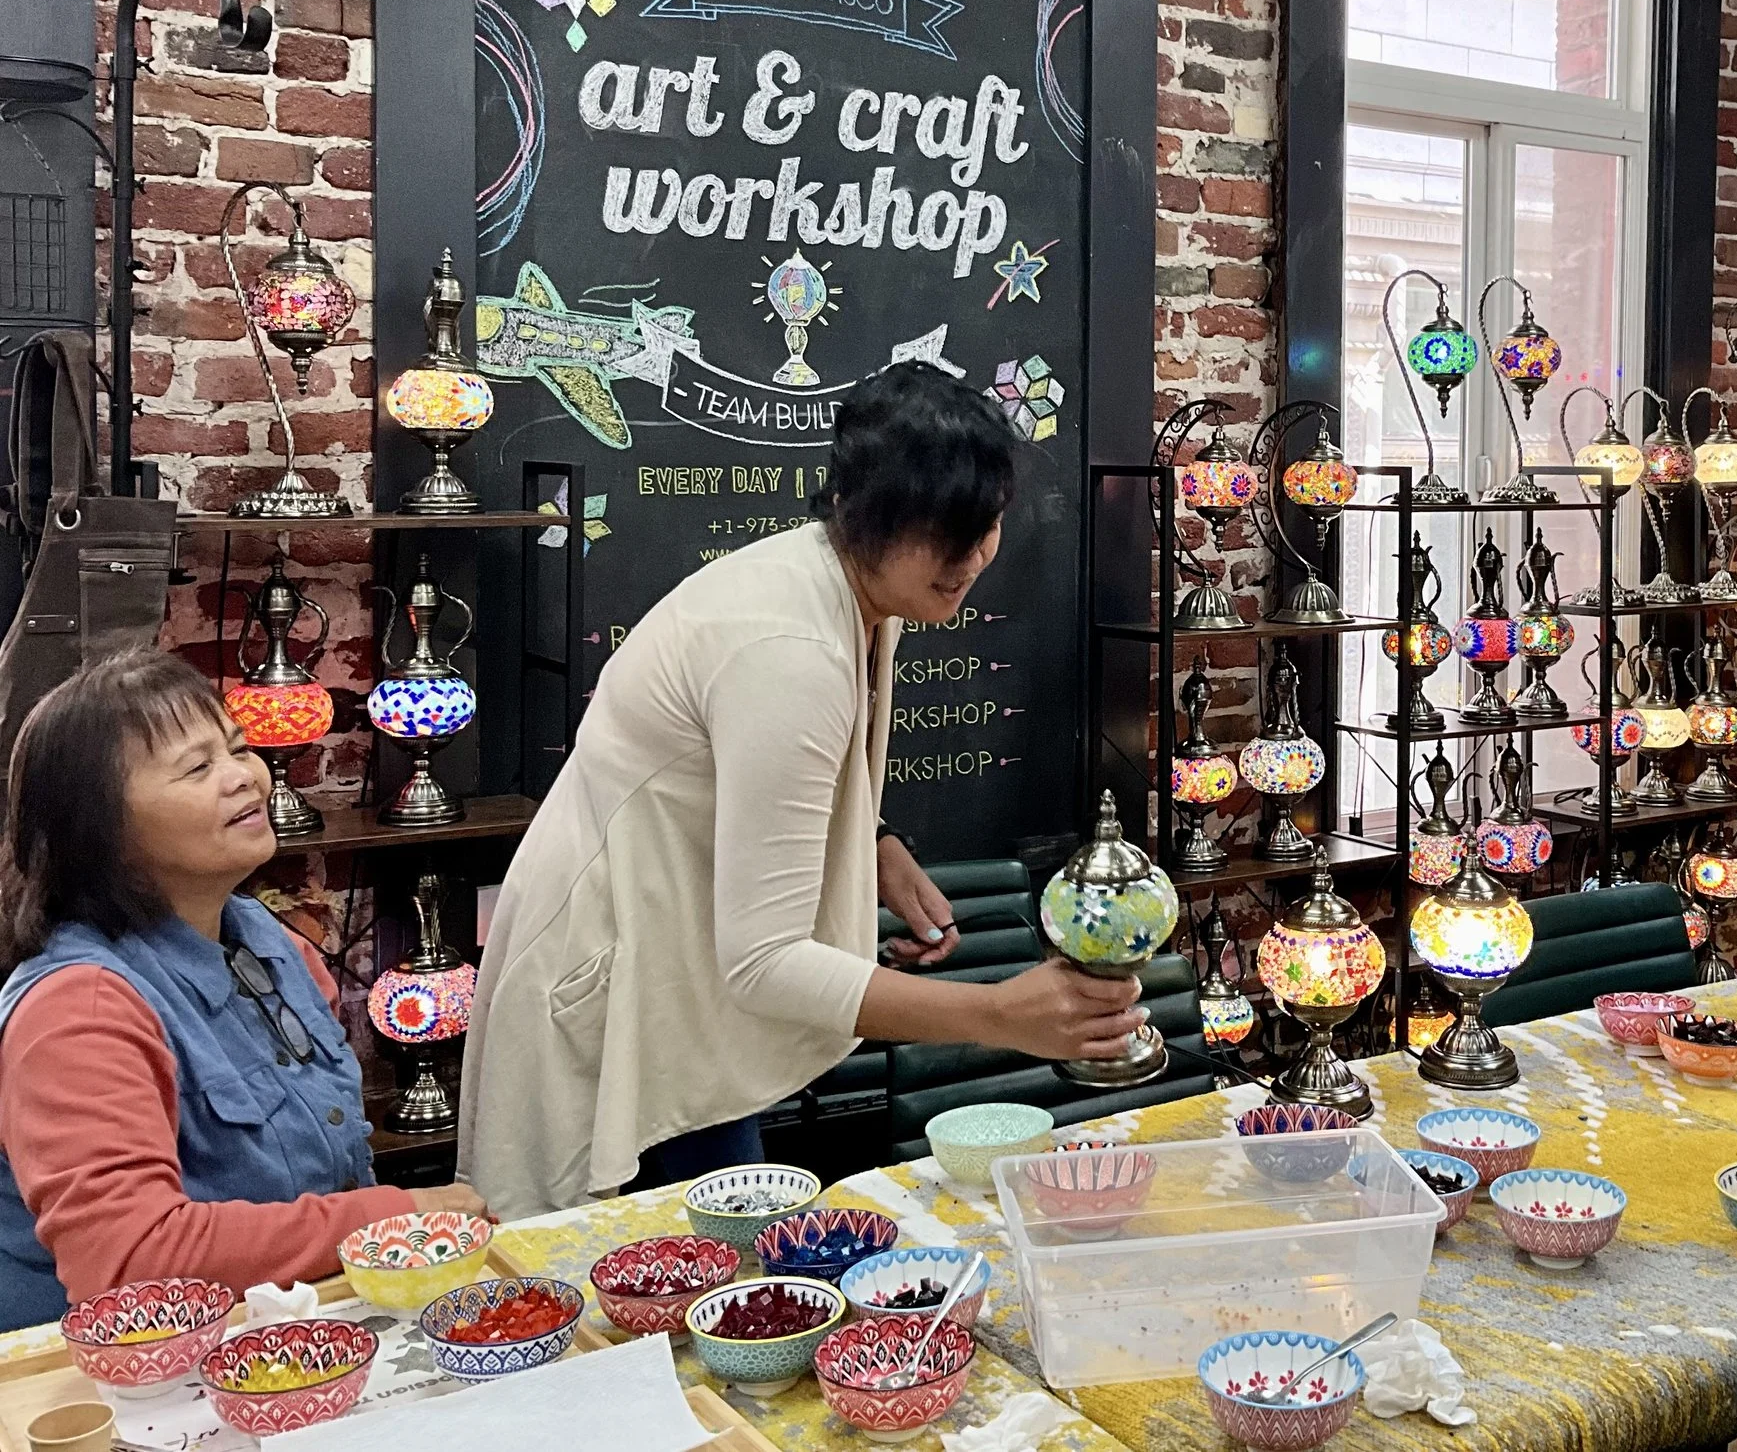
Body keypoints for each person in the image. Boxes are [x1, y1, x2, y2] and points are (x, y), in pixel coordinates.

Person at [460, 363, 1144, 1217]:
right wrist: (1000, 1014)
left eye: (987, 524)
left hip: (679, 980)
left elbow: (744, 776)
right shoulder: (790, 646)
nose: (971, 557)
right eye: (945, 531)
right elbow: (765, 965)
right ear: (865, 513)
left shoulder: (850, 588)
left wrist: (875, 847)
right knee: (664, 1295)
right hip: (622, 995)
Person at [0, 653, 489, 1328]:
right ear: (98, 826)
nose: (244, 777)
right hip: (119, 1385)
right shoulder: (76, 1008)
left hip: (290, 1330)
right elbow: (126, 1259)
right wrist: (389, 1217)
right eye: (197, 768)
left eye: (236, 749)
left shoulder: (260, 933)